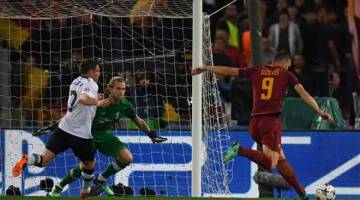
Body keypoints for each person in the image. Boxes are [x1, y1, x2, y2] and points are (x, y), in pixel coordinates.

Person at [191, 53, 333, 199]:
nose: (288, 68)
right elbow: (304, 94)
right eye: (288, 65)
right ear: (284, 64)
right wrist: (319, 111)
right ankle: (240, 150)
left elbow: (230, 70)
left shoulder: (256, 70)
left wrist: (206, 67)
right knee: (271, 164)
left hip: (254, 124)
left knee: (281, 161)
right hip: (270, 123)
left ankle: (302, 195)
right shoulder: (286, 74)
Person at [35, 77, 167, 197]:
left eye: (123, 89)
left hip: (104, 135)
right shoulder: (97, 102)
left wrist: (152, 135)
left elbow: (139, 120)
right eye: (118, 89)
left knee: (127, 158)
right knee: (85, 165)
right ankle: (59, 186)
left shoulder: (126, 105)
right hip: (86, 134)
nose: (121, 92)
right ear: (110, 88)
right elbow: (73, 116)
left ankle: (101, 179)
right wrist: (52, 127)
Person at [12, 60, 109, 197]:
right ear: (90, 72)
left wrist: (94, 98)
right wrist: (97, 102)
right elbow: (82, 98)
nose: (99, 73)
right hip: (80, 134)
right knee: (90, 163)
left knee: (43, 160)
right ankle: (86, 191)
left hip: (64, 128)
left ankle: (26, 160)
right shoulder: (92, 84)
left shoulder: (76, 81)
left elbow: (79, 99)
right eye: (98, 70)